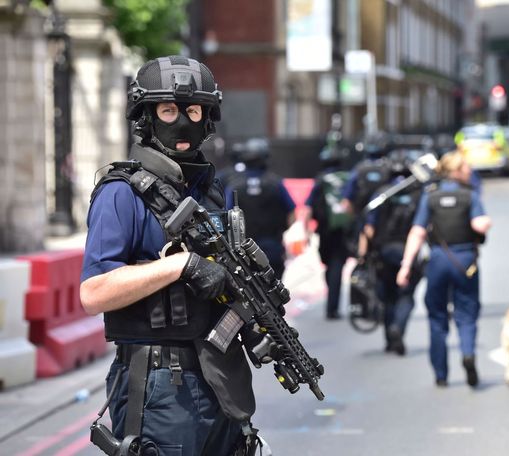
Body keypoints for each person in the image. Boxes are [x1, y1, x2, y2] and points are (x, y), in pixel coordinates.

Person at [80, 56, 269, 455]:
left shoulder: (212, 191)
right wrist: (179, 265)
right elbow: (94, 292)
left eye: (193, 110)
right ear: (146, 117)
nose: (182, 121)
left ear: (208, 117)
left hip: (222, 375)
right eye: (168, 110)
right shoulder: (122, 193)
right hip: (159, 383)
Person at [397, 151, 491, 388]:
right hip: (465, 259)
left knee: (437, 316)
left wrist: (406, 266)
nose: (470, 171)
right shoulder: (470, 196)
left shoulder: (431, 196)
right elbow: (479, 224)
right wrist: (486, 224)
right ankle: (468, 353)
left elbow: (417, 232)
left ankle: (440, 374)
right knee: (467, 313)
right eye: (466, 168)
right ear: (456, 171)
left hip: (438, 259)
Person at [364, 150, 424, 355]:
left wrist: (365, 253)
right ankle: (398, 327)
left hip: (383, 252)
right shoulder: (417, 193)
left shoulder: (381, 194)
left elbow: (369, 228)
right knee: (406, 296)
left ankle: (390, 338)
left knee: (388, 296)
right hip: (408, 252)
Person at [220, 138, 296, 280]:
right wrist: (282, 230)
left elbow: (228, 217)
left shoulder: (235, 185)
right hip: (272, 246)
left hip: (244, 251)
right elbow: (292, 213)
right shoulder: (276, 183)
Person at [304, 145, 353, 320]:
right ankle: (333, 305)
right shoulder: (349, 178)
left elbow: (308, 207)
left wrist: (306, 233)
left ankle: (331, 303)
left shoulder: (320, 180)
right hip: (344, 231)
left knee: (330, 265)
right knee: (337, 266)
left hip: (325, 231)